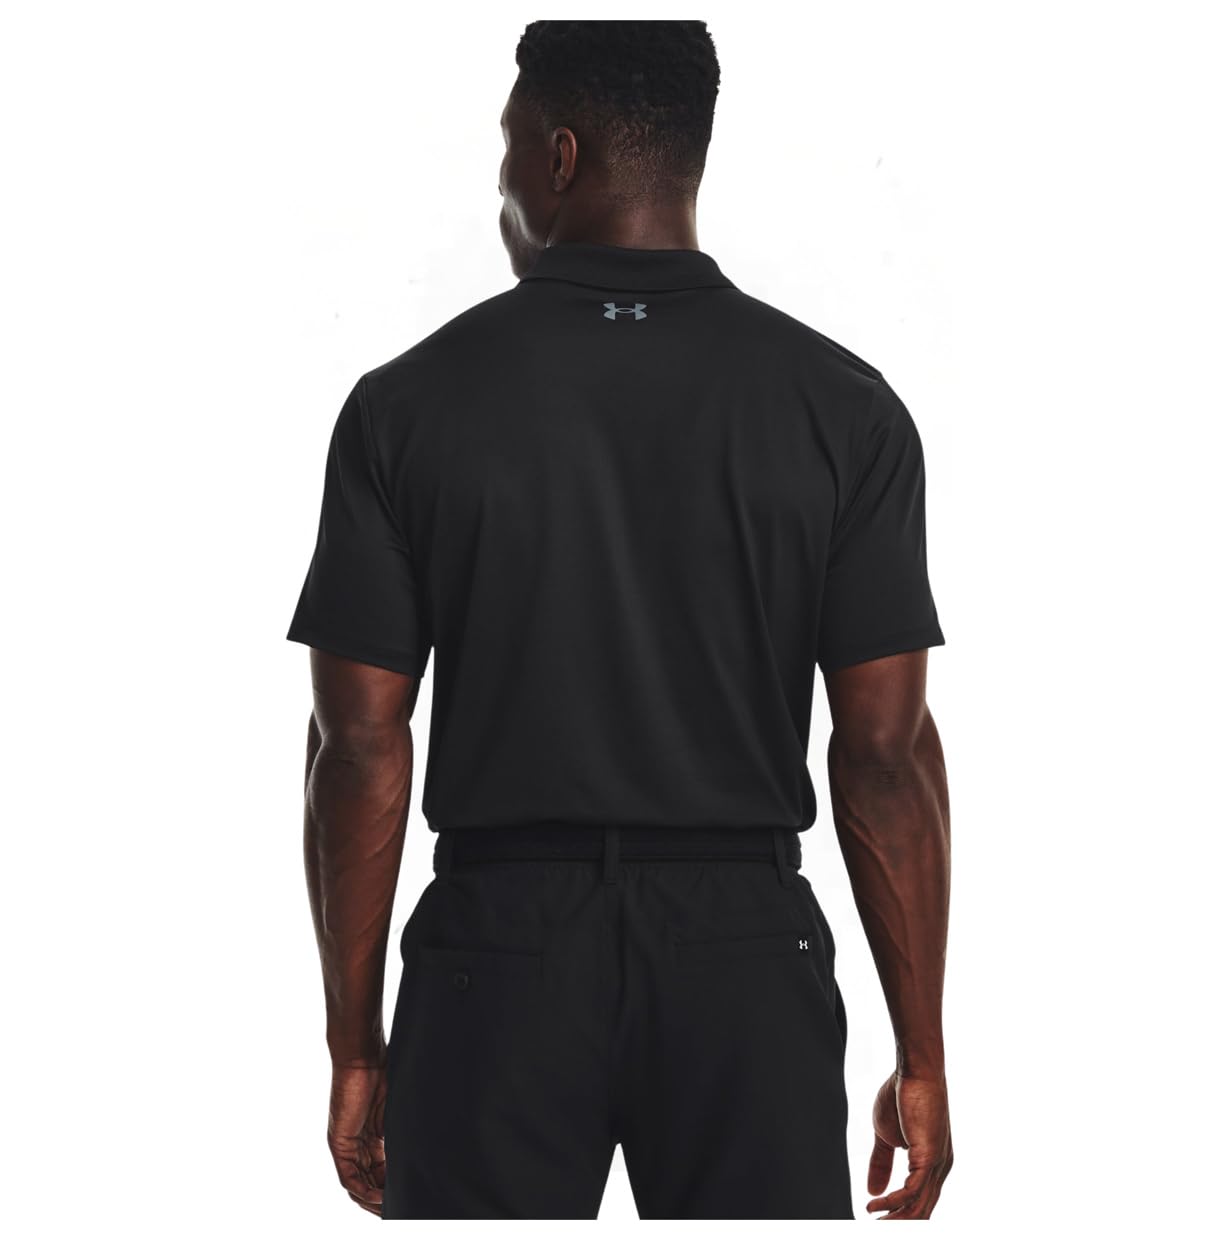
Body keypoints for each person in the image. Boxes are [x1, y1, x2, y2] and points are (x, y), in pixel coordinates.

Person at [287, 19, 953, 1221]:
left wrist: (357, 1044)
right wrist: (921, 1053)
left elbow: (360, 746)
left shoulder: (405, 407)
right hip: (745, 954)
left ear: (557, 156)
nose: (498, 180)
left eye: (507, 147)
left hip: (497, 952)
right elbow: (884, 752)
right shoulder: (843, 409)